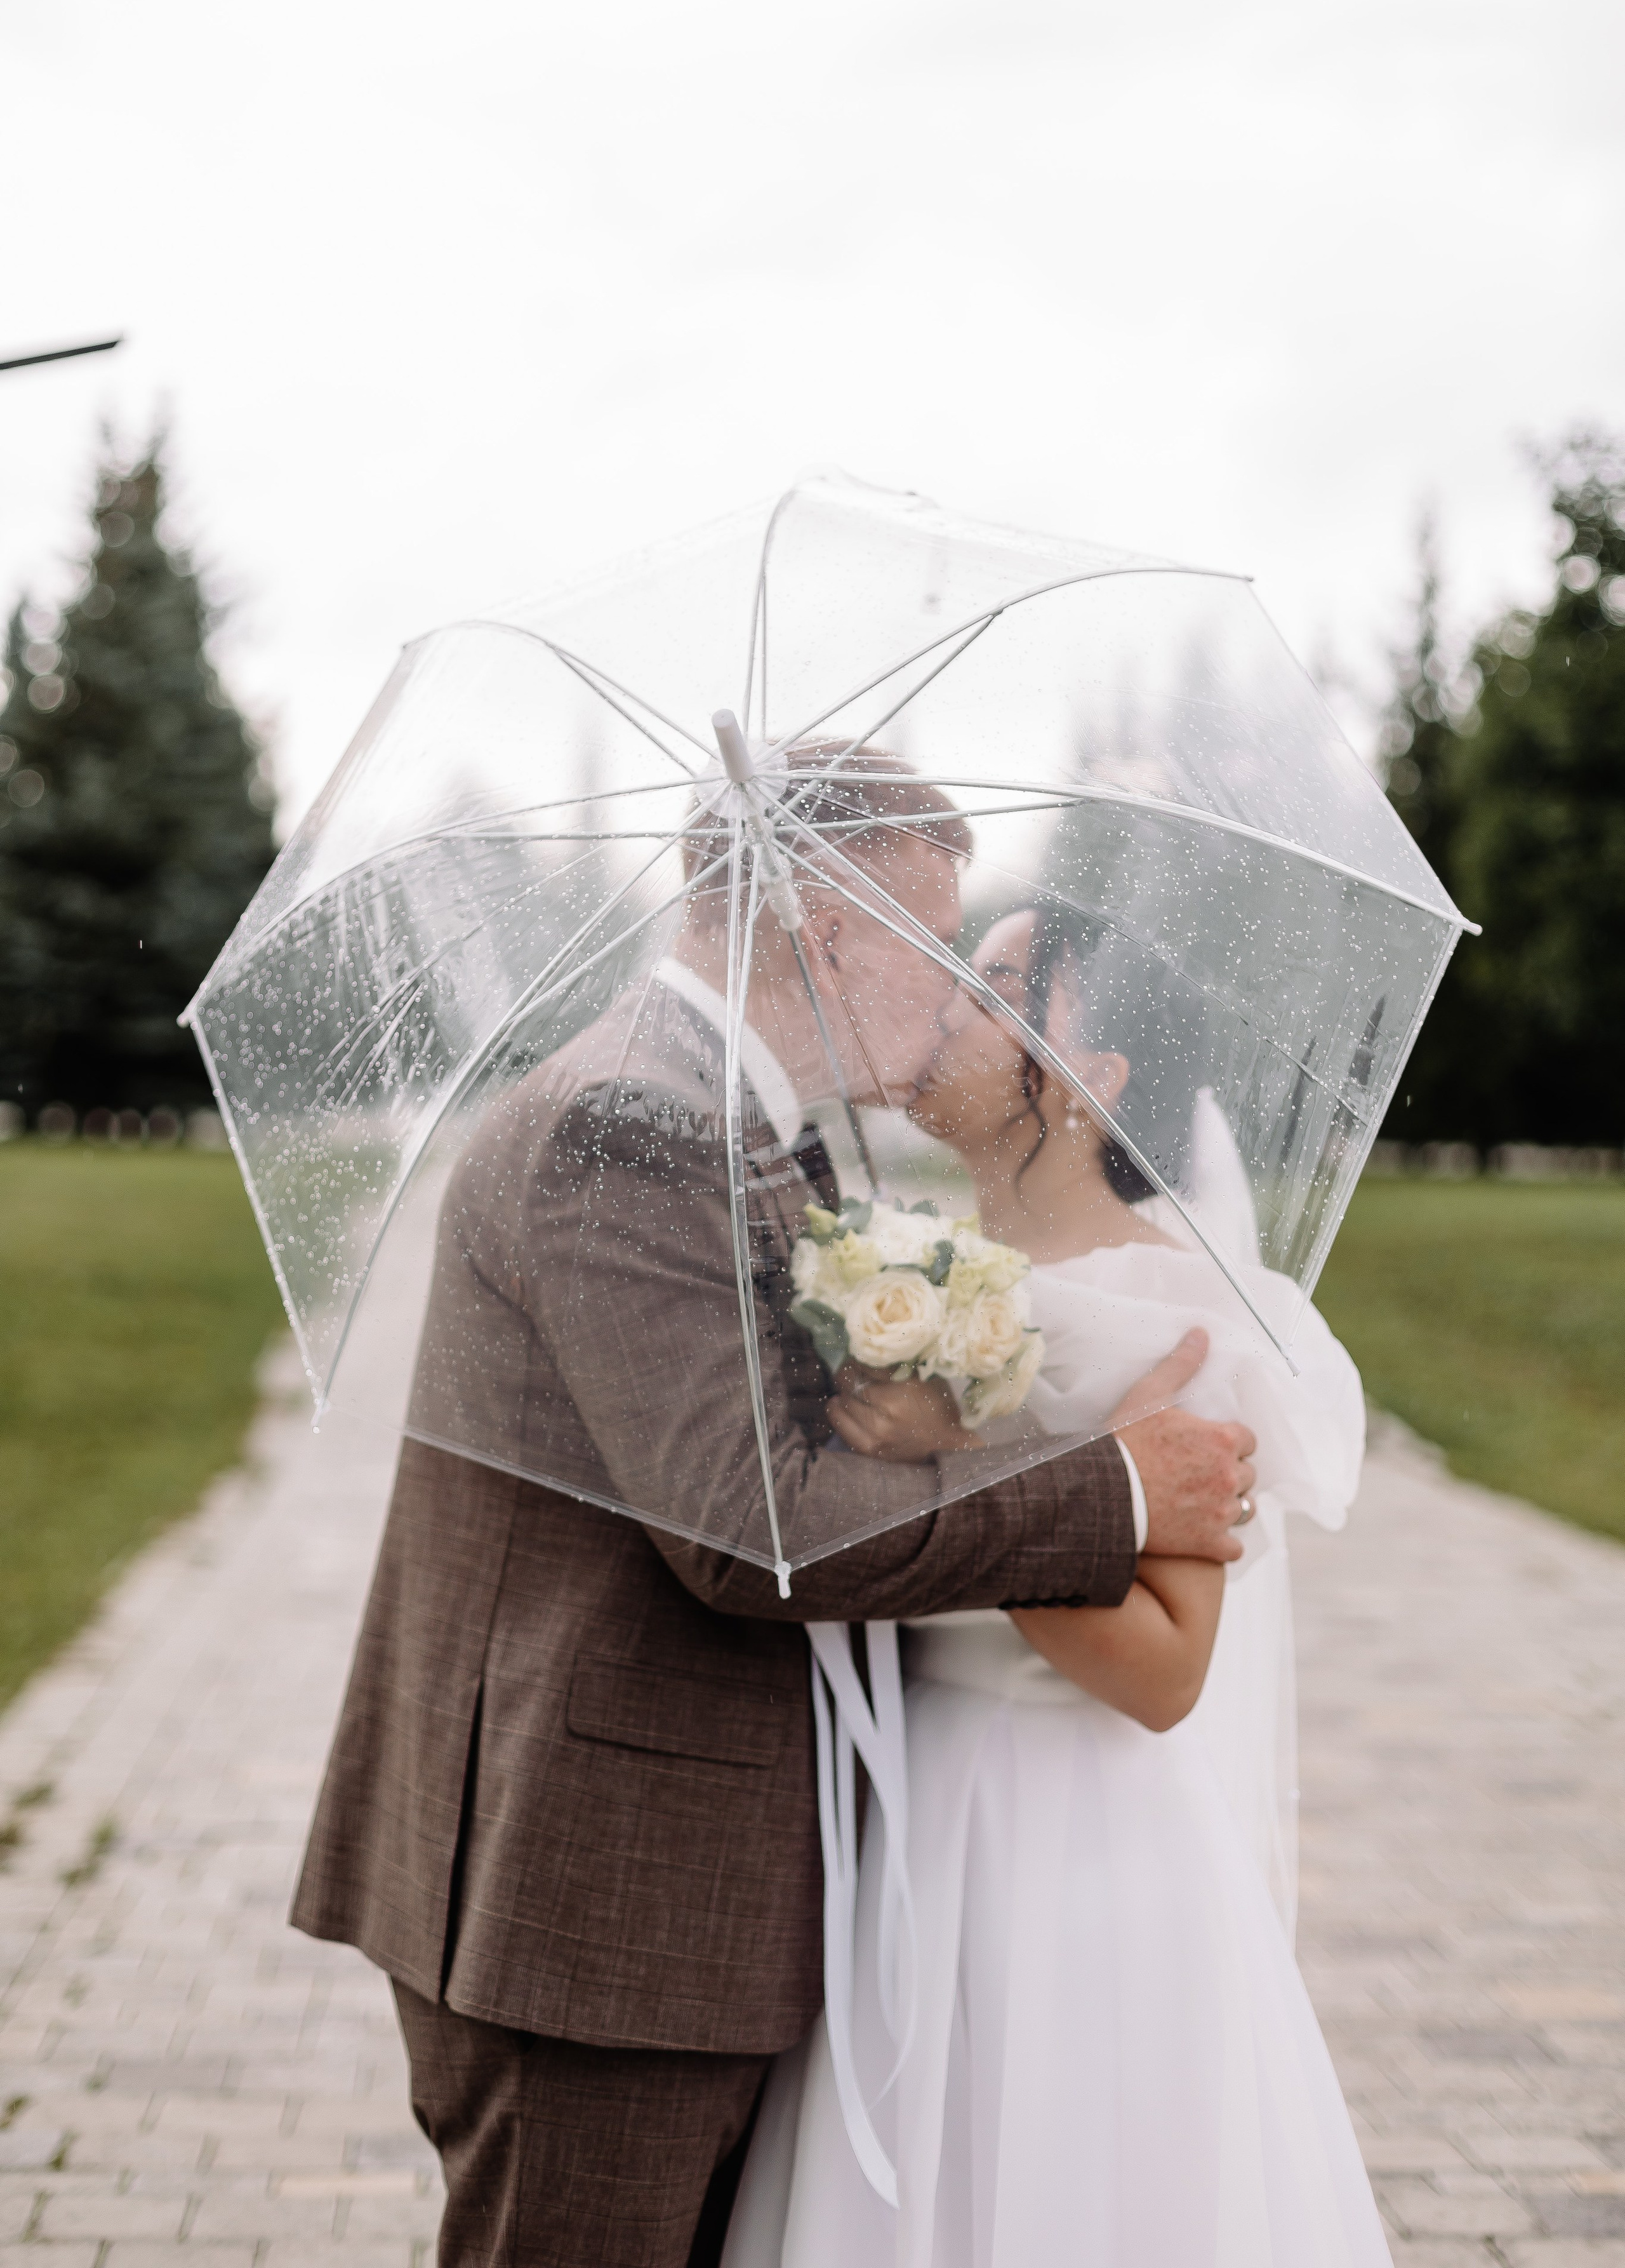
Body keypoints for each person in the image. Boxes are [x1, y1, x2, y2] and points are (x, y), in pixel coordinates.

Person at [291, 751, 1259, 2268]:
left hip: (657, 1892)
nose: (954, 991)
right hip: (595, 1900)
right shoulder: (632, 1121)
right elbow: (754, 1527)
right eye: (936, 944)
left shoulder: (729, 1120)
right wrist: (1119, 1483)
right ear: (828, 934)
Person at [722, 903, 1390, 2267]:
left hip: (1076, 1851)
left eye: (997, 985)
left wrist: (961, 1463)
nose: (946, 1000)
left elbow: (1166, 1673)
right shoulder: (900, 1274)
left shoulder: (1174, 1315)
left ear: (1096, 1077)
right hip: (905, 1835)